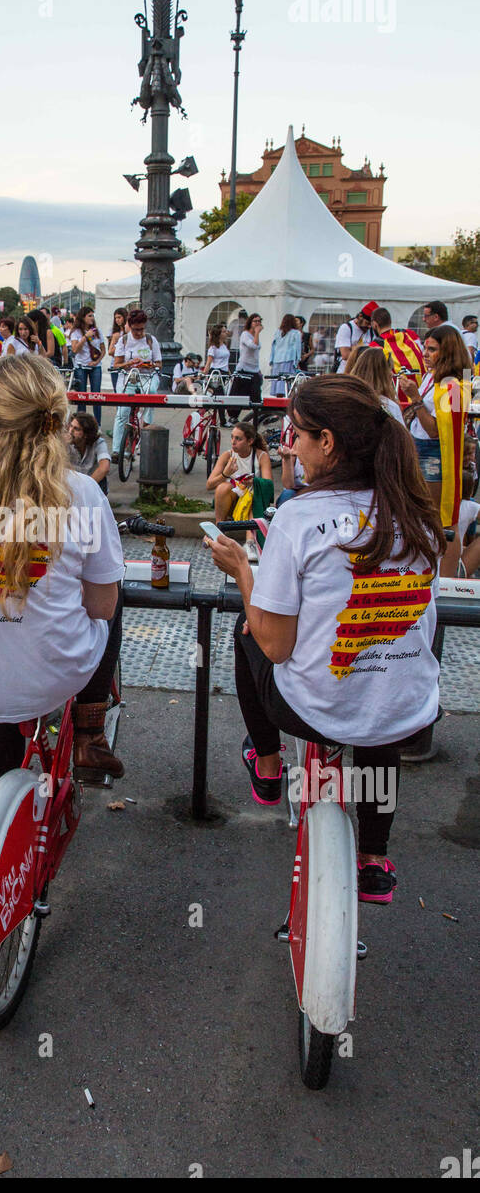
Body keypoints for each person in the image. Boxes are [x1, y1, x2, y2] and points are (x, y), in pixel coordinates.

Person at [205, 374, 444, 903]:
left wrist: (243, 572)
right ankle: (374, 858)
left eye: (297, 434)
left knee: (246, 632)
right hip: (407, 709)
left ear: (327, 442)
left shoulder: (298, 516)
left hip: (312, 708)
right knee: (380, 705)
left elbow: (276, 645)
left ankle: (267, 765)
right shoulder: (418, 513)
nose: (290, 445)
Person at [0, 353, 125, 782]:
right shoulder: (83, 493)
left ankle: (7, 779)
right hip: (53, 671)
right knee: (115, 592)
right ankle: (91, 731)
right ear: (55, 416)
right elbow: (102, 607)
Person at [400, 324, 471, 576]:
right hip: (423, 450)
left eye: (432, 349)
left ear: (448, 351)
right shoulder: (436, 377)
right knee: (427, 520)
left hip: (435, 456)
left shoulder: (453, 384)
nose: (425, 354)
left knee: (442, 523)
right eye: (425, 349)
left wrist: (415, 398)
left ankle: (451, 580)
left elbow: (433, 430)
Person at [110, 308, 162, 461]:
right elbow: (116, 364)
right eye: (135, 329)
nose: (139, 333)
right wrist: (129, 363)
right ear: (130, 326)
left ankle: (146, 422)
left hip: (147, 376)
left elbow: (159, 364)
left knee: (151, 392)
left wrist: (148, 364)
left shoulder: (151, 340)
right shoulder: (124, 340)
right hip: (128, 377)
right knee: (122, 412)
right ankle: (116, 450)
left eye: (141, 329)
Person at [206, 421, 273, 525]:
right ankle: (219, 527)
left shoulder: (261, 456)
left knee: (253, 501)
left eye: (238, 439)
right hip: (230, 503)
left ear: (250, 441)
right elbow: (209, 485)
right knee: (223, 487)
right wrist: (225, 474)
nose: (233, 442)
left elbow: (269, 485)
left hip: (252, 502)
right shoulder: (227, 455)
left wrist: (253, 482)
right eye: (232, 437)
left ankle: (250, 540)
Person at [344, 345, 404, 423]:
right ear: (382, 373)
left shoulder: (345, 400)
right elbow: (401, 434)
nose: (392, 374)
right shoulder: (389, 407)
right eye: (389, 369)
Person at [369, 306, 424, 386]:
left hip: (398, 391)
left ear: (375, 324)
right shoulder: (410, 334)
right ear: (390, 321)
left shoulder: (374, 346)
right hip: (422, 386)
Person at [69, 306, 105, 424]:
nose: (92, 318)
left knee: (96, 396)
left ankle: (97, 424)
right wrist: (85, 337)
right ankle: (81, 424)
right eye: (89, 316)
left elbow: (103, 350)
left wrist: (96, 361)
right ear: (83, 317)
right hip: (81, 366)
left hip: (95, 367)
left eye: (92, 315)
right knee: (82, 396)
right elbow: (74, 349)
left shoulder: (97, 331)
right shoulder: (76, 332)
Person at [67, 413, 110, 493]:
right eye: (71, 426)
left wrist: (86, 486)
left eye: (76, 429)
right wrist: (60, 446)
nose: (70, 431)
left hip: (91, 484)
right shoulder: (65, 442)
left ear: (86, 434)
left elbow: (104, 467)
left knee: (102, 479)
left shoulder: (98, 443)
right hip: (71, 484)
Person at [229, 312, 264, 406]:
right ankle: (233, 417)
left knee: (256, 395)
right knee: (239, 396)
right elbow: (253, 346)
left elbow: (256, 352)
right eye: (255, 321)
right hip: (244, 369)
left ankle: (257, 415)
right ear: (250, 322)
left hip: (254, 369)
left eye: (259, 321)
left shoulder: (255, 336)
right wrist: (257, 332)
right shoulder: (245, 334)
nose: (257, 323)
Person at [335, 304, 375, 371]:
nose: (369, 327)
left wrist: (354, 349)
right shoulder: (346, 328)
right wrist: (366, 352)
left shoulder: (371, 332)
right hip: (345, 372)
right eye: (367, 323)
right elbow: (345, 355)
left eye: (371, 324)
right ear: (360, 316)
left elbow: (375, 354)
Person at [269, 314, 302, 396]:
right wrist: (297, 360)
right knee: (287, 381)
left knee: (277, 379)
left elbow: (273, 346)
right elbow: (298, 348)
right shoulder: (296, 333)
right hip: (288, 358)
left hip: (277, 359)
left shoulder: (277, 332)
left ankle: (278, 397)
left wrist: (271, 359)